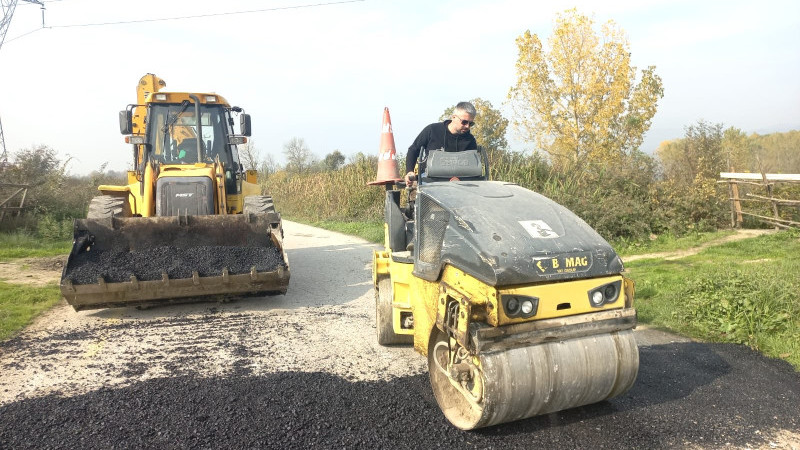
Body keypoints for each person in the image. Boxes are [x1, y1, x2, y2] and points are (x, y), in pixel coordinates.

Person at [404, 101, 478, 185]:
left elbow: (472, 167)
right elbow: (413, 149)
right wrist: (409, 172)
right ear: (453, 117)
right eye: (464, 122)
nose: (467, 126)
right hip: (429, 179)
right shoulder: (432, 130)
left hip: (459, 181)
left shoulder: (470, 140)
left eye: (471, 123)